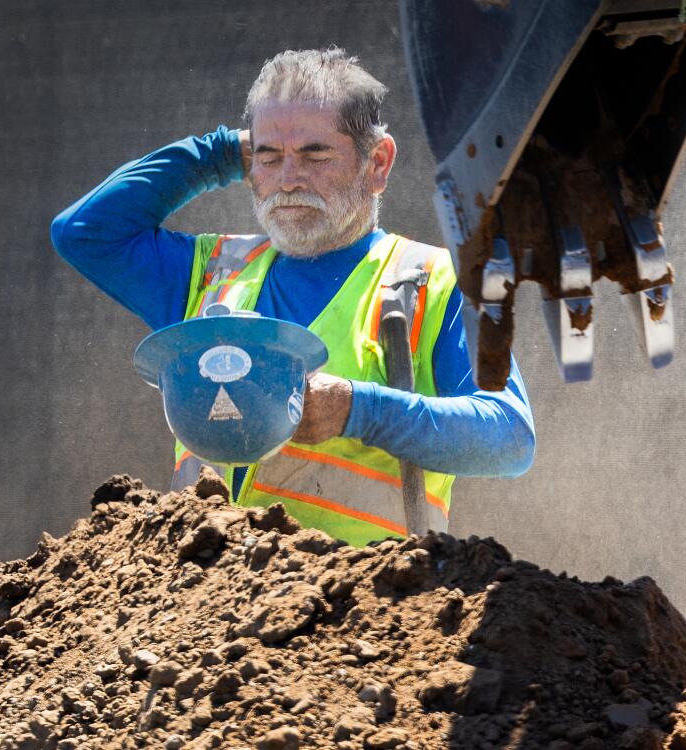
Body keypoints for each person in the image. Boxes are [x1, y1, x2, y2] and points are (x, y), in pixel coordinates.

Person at [51, 48, 535, 547]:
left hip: (362, 611)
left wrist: (356, 409)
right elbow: (83, 232)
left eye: (314, 153)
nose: (287, 180)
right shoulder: (209, 273)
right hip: (198, 612)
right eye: (268, 157)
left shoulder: (433, 282)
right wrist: (223, 153)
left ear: (378, 163)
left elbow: (510, 437)